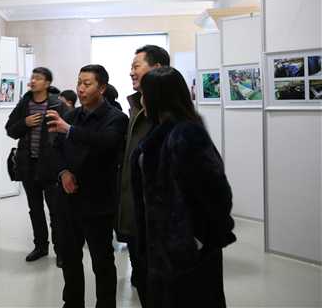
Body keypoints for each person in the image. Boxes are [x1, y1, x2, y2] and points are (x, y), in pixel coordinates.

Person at [132, 67, 235, 308]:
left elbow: (217, 192)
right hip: (163, 247)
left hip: (187, 250)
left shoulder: (186, 134)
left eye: (144, 94)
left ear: (158, 97)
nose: (141, 100)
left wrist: (197, 239)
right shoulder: (159, 130)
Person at [46, 64, 128, 308]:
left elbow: (106, 142)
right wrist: (63, 172)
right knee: (69, 257)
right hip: (68, 199)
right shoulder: (71, 116)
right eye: (79, 82)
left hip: (98, 201)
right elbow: (56, 149)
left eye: (87, 84)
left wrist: (70, 130)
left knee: (102, 261)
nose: (80, 89)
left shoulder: (116, 118)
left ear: (101, 88)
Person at [115, 44, 170, 303]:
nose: (131, 72)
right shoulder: (136, 108)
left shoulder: (171, 116)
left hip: (158, 224)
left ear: (157, 68)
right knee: (145, 283)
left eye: (136, 66)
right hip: (136, 218)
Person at [5, 67, 66, 265]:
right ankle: (40, 246)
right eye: (32, 77)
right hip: (28, 166)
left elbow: (67, 134)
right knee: (35, 209)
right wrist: (25, 122)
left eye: (38, 78)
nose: (33, 81)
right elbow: (10, 130)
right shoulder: (24, 103)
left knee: (56, 211)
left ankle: (61, 251)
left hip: (51, 167)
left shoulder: (57, 104)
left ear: (47, 83)